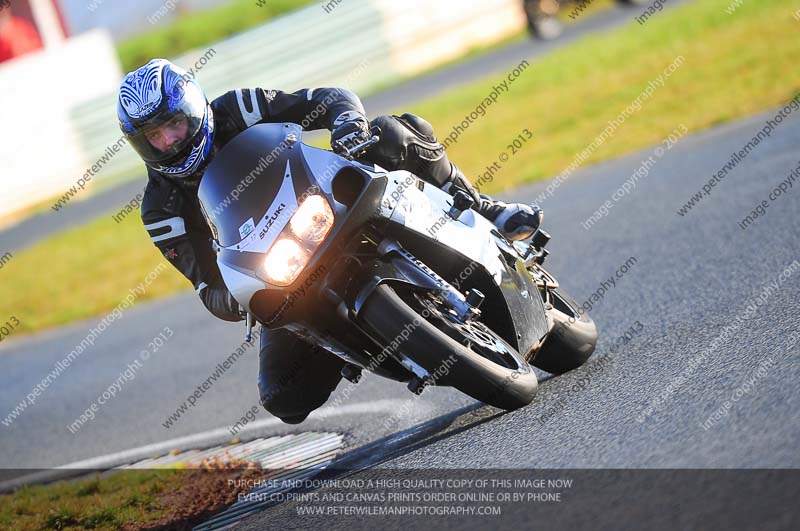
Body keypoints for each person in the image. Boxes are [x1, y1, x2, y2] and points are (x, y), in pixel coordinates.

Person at [118, 59, 542, 424]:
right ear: (142, 145)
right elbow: (205, 283)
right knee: (283, 397)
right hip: (283, 270)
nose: (171, 140)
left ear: (193, 106)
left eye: (174, 123)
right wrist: (233, 298)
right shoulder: (161, 210)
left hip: (327, 203)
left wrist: (347, 125)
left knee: (394, 132)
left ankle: (484, 208)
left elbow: (327, 99)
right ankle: (342, 342)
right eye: (155, 135)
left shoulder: (237, 108)